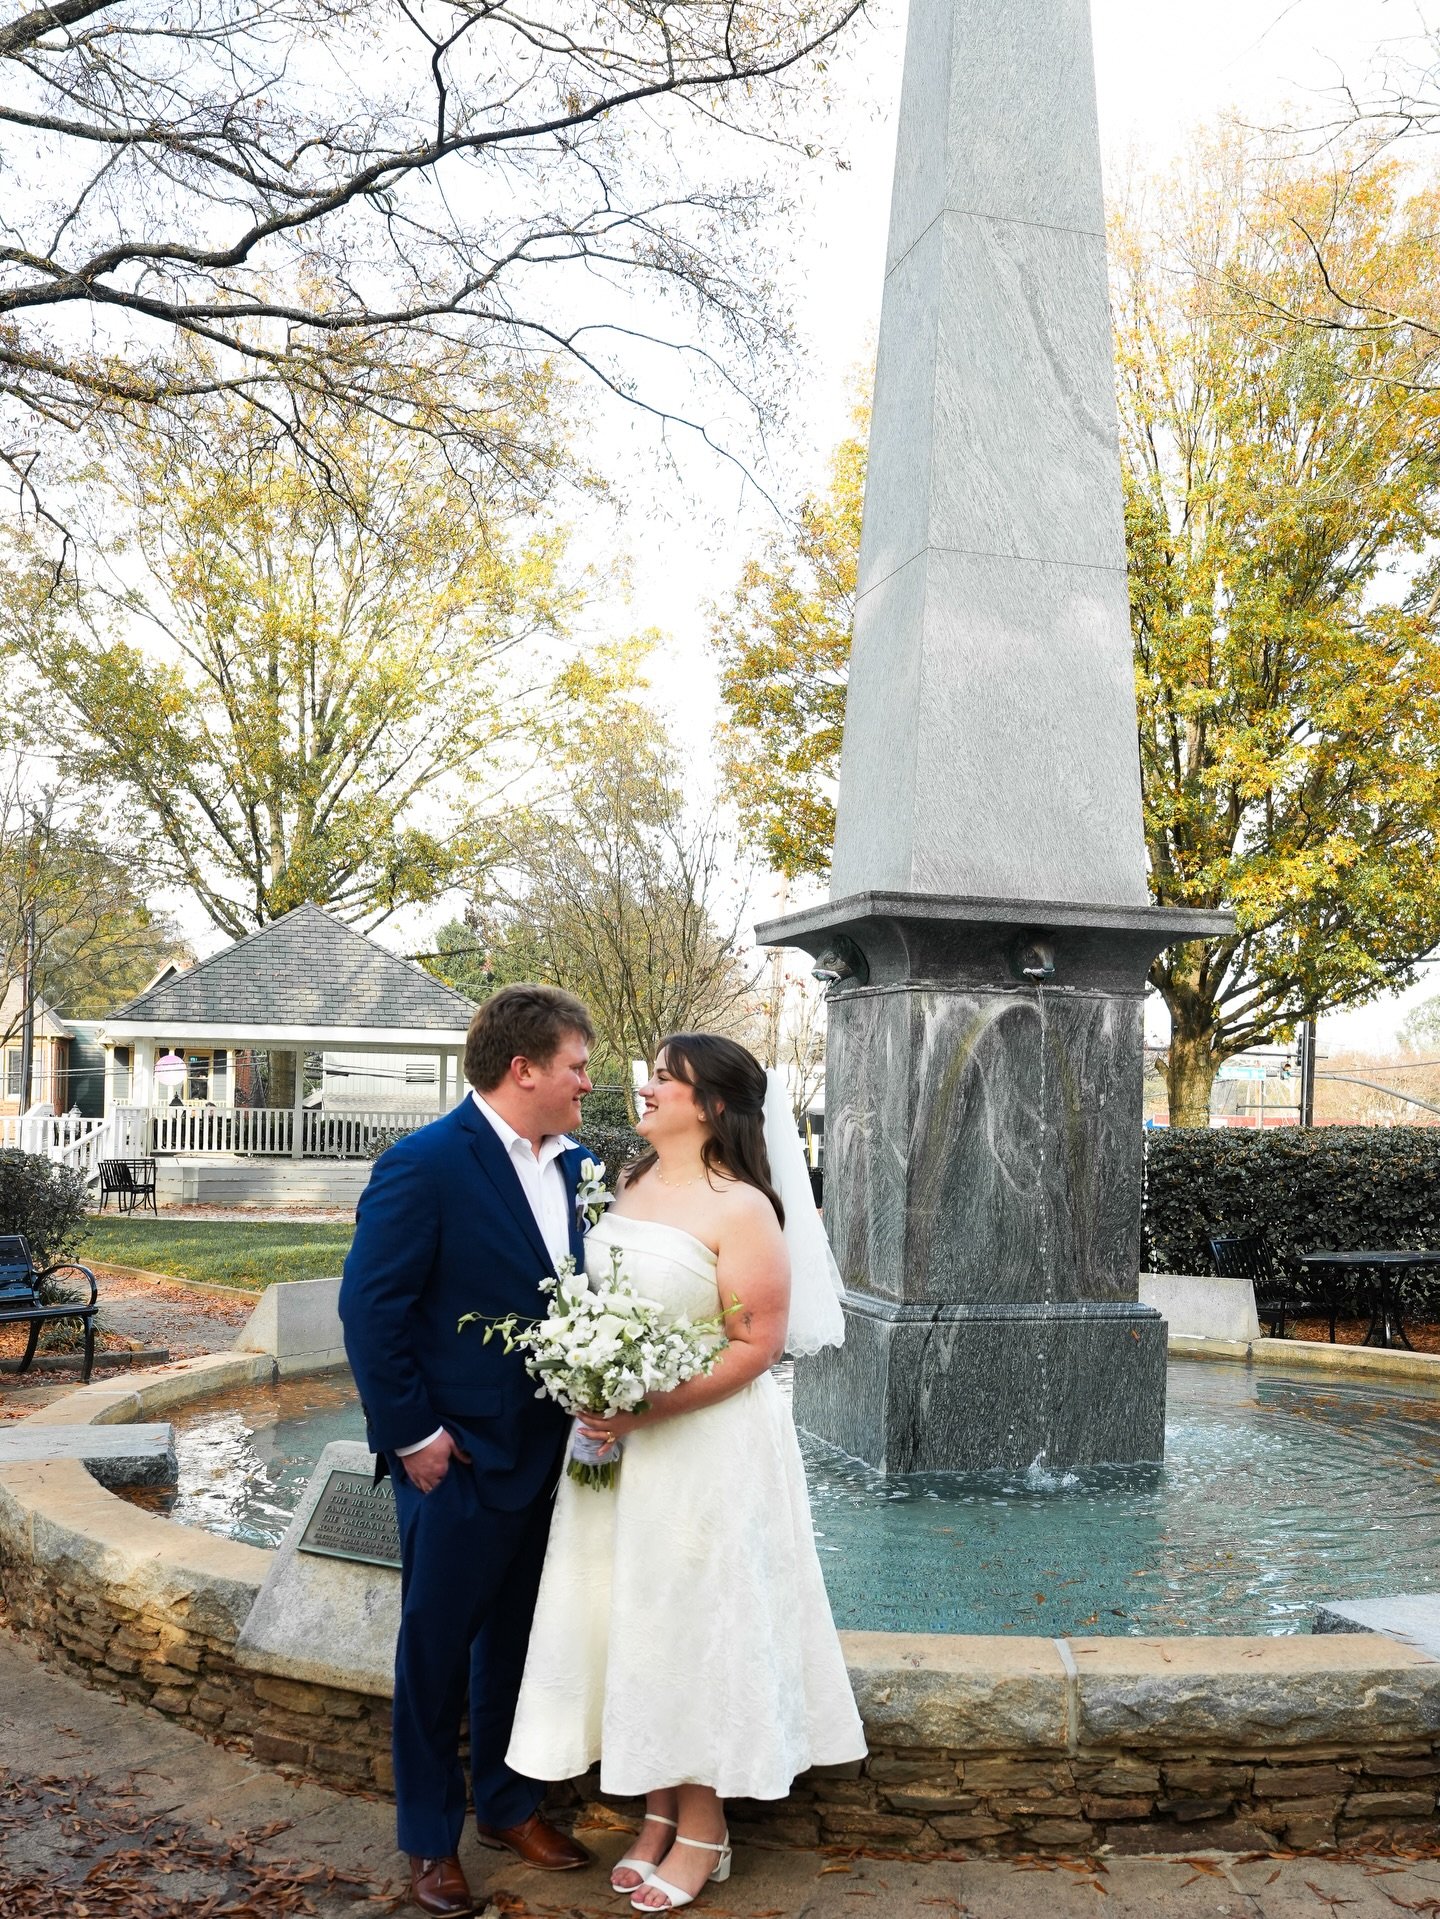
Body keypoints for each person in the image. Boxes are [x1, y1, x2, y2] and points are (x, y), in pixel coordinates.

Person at [506, 1033, 867, 1913]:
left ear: (711, 1104)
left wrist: (645, 1408)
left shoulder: (742, 1206)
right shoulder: (629, 1182)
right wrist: (592, 1380)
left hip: (703, 1446)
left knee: (690, 1620)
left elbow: (758, 1343)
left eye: (666, 1078)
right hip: (620, 1445)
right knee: (635, 1618)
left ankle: (704, 1825)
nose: (647, 1086)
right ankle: (659, 1811)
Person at [338, 984, 600, 1919]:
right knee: (435, 1654)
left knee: (519, 1646)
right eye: (576, 1064)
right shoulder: (424, 1164)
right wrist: (416, 1435)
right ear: (523, 1067)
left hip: (552, 1455)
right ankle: (428, 1840)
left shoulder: (581, 1166)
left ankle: (507, 1806)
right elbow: (372, 1311)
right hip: (454, 1461)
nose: (586, 1082)